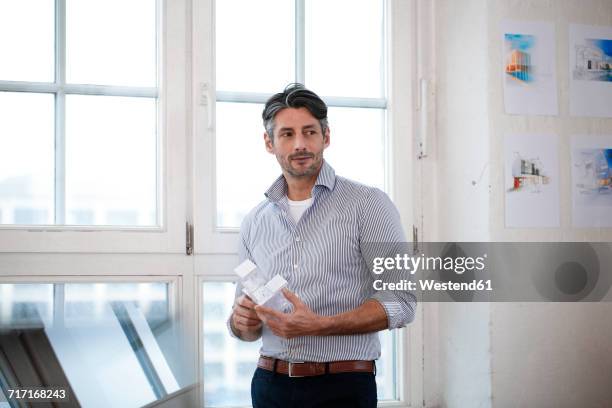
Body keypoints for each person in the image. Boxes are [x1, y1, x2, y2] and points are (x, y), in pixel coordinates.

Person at [228, 83, 417, 408]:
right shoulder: (254, 222)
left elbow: (402, 301)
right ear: (269, 143)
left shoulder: (369, 204)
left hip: (342, 387)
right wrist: (241, 323)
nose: (300, 144)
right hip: (268, 385)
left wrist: (321, 326)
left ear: (326, 137)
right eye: (287, 134)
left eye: (310, 132)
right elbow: (245, 327)